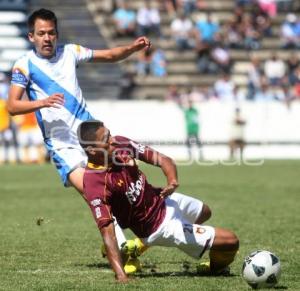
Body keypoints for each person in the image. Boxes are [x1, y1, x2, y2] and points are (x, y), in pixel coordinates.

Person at [7, 8, 151, 271]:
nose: (47, 38)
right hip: (63, 146)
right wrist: (42, 102)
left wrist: (131, 48)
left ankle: (137, 237)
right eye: (41, 33)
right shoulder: (24, 65)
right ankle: (122, 248)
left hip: (91, 136)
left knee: (125, 180)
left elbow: (108, 55)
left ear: (57, 34)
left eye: (51, 32)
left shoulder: (70, 52)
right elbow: (12, 106)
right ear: (31, 36)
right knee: (93, 192)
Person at [78, 120, 239, 283]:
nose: (112, 140)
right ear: (92, 150)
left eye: (110, 133)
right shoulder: (94, 183)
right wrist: (121, 276)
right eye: (106, 139)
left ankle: (139, 246)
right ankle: (213, 269)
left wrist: (172, 181)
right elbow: (107, 230)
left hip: (163, 199)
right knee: (231, 241)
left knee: (205, 211)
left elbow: (162, 159)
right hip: (160, 227)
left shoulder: (120, 143)